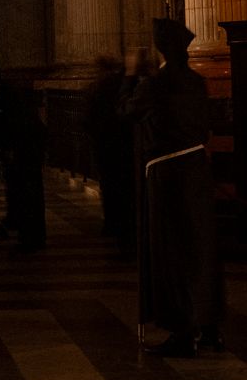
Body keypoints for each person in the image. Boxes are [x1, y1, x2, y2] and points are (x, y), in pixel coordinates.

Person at [120, 19, 224, 357]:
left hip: (167, 176)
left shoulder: (155, 84)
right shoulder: (196, 81)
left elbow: (126, 113)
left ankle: (181, 333)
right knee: (202, 249)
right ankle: (209, 327)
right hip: (197, 170)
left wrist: (130, 76)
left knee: (171, 253)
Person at [0, 63, 46, 253]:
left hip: (26, 149)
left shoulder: (9, 96)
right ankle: (21, 227)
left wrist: (9, 148)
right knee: (19, 190)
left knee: (29, 193)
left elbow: (16, 126)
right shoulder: (0, 94)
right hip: (21, 149)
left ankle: (32, 239)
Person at [85, 53, 133, 257]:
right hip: (120, 144)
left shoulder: (100, 87)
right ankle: (118, 225)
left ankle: (113, 223)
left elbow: (90, 117)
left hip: (106, 143)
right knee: (121, 187)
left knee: (111, 185)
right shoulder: (119, 84)